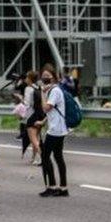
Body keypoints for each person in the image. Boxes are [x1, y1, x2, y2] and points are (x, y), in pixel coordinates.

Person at [35, 65, 70, 197]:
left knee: (45, 156)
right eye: (43, 76)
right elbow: (53, 111)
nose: (45, 79)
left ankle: (52, 186)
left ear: (54, 77)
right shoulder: (54, 90)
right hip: (58, 128)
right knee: (58, 157)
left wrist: (43, 93)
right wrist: (43, 122)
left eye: (48, 76)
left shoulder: (54, 91)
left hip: (56, 130)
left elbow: (46, 108)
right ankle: (63, 188)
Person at [21, 71, 43, 165]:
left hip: (31, 116)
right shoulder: (38, 87)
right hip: (40, 115)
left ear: (29, 79)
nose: (25, 79)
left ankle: (43, 158)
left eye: (26, 77)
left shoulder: (28, 89)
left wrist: (19, 98)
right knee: (36, 138)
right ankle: (33, 158)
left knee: (34, 140)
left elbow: (27, 104)